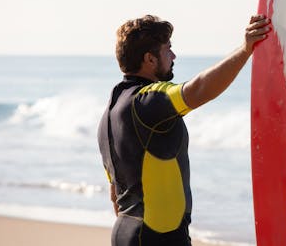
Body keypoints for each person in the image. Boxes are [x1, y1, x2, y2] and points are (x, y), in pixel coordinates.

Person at [97, 14, 270, 246]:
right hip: (157, 237)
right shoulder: (148, 100)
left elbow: (115, 195)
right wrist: (245, 49)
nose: (173, 56)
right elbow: (198, 89)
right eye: (168, 49)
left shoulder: (108, 116)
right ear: (149, 59)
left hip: (126, 233)